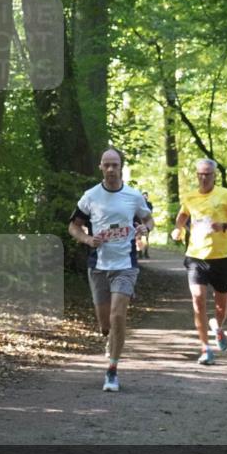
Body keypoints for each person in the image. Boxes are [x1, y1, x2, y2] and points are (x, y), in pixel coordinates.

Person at [68, 147, 154, 392]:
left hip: (126, 264)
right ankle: (110, 341)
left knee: (118, 316)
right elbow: (73, 227)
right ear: (100, 167)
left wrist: (145, 229)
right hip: (98, 265)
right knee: (106, 325)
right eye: (106, 165)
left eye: (115, 165)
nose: (111, 169)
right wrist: (87, 240)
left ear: (121, 166)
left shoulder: (134, 196)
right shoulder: (90, 196)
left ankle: (112, 370)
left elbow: (148, 219)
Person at [170, 159, 227, 366]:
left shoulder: (226, 195)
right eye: (200, 174)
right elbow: (181, 217)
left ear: (214, 175)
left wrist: (224, 225)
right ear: (196, 175)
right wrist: (178, 229)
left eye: (208, 174)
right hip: (196, 257)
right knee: (198, 301)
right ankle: (205, 348)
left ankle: (218, 327)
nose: (204, 178)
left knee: (221, 307)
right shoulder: (190, 197)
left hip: (222, 258)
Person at [136, 192, 154, 259]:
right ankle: (139, 252)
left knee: (146, 238)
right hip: (139, 222)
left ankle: (146, 252)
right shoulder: (138, 203)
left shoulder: (149, 204)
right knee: (138, 238)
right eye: (144, 196)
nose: (145, 197)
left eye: (146, 196)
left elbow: (150, 213)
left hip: (146, 222)